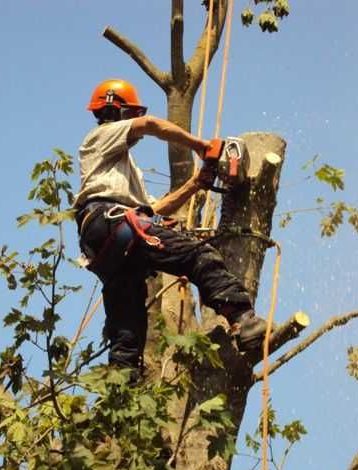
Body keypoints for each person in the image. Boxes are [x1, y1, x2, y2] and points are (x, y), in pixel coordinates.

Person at [73, 79, 267, 370]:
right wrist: (201, 146)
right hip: (111, 223)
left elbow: (152, 210)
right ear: (115, 111)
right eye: (132, 114)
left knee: (127, 334)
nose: (135, 121)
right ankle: (243, 319)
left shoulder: (121, 169)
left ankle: (118, 399)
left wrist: (196, 184)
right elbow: (150, 124)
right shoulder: (100, 136)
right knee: (198, 255)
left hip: (111, 244)